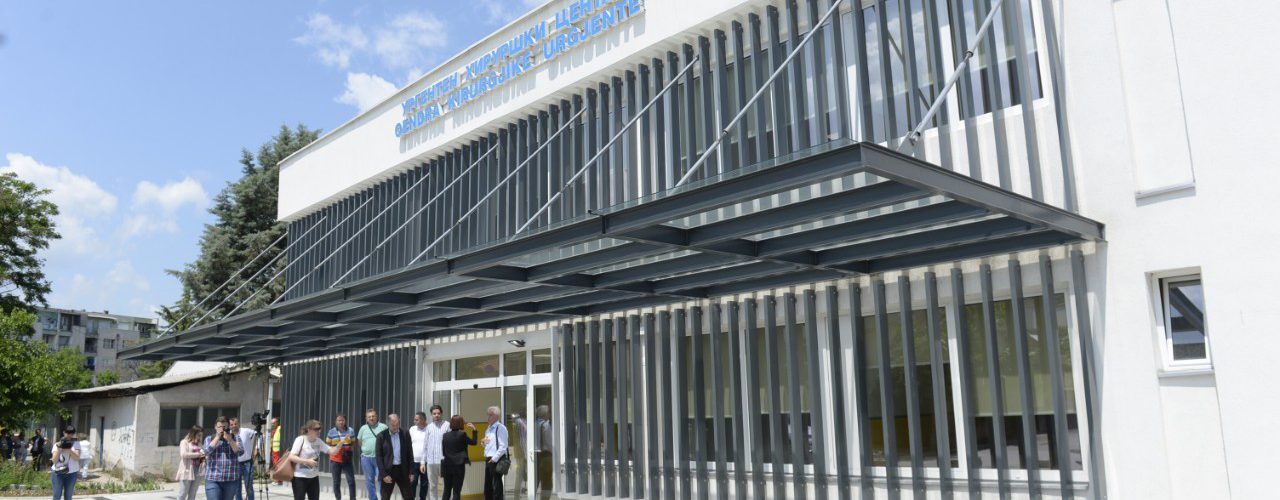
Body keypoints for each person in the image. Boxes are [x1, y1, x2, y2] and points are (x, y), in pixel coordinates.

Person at [288, 420, 333, 500]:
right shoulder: (300, 439)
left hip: (314, 477)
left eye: (320, 428)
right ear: (309, 429)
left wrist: (340, 444)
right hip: (300, 477)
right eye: (316, 429)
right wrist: (307, 461)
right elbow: (291, 457)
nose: (319, 431)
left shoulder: (318, 441)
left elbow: (330, 450)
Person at [203, 416, 243, 500]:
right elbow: (205, 452)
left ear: (228, 427)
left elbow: (240, 453)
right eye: (219, 427)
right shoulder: (209, 438)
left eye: (224, 427)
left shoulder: (236, 438)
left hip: (230, 479)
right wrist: (217, 438)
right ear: (215, 427)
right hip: (213, 478)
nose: (222, 429)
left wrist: (230, 440)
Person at [375, 414, 414, 500]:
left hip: (402, 470)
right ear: (388, 424)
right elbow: (379, 457)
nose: (395, 427)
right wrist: (384, 474)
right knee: (385, 497)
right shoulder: (381, 436)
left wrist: (411, 472)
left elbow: (410, 453)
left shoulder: (405, 433)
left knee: (408, 496)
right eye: (393, 425)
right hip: (388, 471)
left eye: (397, 424)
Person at [438, 416, 477, 500]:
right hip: (459, 466)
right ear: (460, 423)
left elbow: (443, 452)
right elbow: (474, 442)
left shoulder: (445, 435)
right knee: (456, 491)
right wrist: (474, 429)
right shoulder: (462, 434)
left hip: (447, 465)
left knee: (446, 490)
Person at [357, 409, 387, 500]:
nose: (371, 418)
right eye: (369, 417)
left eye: (373, 416)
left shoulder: (383, 427)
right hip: (366, 458)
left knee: (382, 480)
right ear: (366, 418)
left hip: (380, 459)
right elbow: (359, 442)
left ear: (376, 417)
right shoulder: (363, 428)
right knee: (369, 480)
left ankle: (384, 498)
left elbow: (388, 441)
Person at [325, 413, 357, 500]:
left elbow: (353, 442)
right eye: (339, 420)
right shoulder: (331, 431)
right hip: (335, 459)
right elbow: (328, 443)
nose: (341, 422)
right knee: (336, 482)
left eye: (342, 420)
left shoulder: (350, 430)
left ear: (345, 421)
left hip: (347, 458)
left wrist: (347, 446)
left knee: (351, 481)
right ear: (336, 421)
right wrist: (336, 448)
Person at [420, 405, 448, 500]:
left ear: (441, 414)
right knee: (432, 486)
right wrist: (422, 462)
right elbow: (425, 446)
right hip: (431, 461)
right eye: (434, 413)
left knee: (446, 485)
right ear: (431, 415)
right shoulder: (429, 427)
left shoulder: (447, 425)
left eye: (438, 413)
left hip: (444, 461)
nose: (436, 415)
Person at [481, 406, 508, 500]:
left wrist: (494, 459)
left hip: (496, 459)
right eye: (487, 415)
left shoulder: (501, 428)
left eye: (490, 415)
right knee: (488, 485)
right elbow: (487, 444)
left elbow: (503, 446)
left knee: (496, 485)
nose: (488, 417)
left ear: (496, 416)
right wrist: (483, 443)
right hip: (488, 458)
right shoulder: (488, 428)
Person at [229, 417, 259, 500]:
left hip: (247, 463)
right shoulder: (228, 436)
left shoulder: (245, 431)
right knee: (237, 489)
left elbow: (259, 435)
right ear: (229, 426)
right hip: (235, 464)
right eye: (231, 424)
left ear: (238, 424)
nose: (234, 426)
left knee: (249, 488)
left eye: (235, 424)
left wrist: (257, 448)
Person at [50, 426, 82, 500]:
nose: (70, 435)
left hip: (71, 473)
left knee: (68, 496)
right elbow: (54, 461)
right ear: (64, 432)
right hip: (58, 473)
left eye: (72, 433)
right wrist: (59, 449)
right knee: (56, 496)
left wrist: (69, 450)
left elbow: (77, 458)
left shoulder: (76, 443)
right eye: (68, 433)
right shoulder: (57, 444)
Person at [176, 426, 206, 500]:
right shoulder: (184, 442)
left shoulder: (199, 444)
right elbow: (183, 454)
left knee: (192, 494)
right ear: (193, 433)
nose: (200, 437)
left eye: (201, 435)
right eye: (198, 435)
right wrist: (198, 454)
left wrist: (204, 459)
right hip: (187, 470)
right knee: (182, 494)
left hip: (197, 471)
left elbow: (203, 455)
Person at [407, 412, 429, 500]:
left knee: (424, 483)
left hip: (426, 462)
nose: (414, 421)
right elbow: (408, 443)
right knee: (413, 482)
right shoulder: (412, 429)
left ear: (423, 420)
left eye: (416, 419)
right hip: (414, 461)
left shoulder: (429, 429)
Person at [534, 405, 552, 495]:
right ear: (545, 414)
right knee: (547, 482)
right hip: (545, 455)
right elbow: (549, 442)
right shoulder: (545, 425)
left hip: (535, 455)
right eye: (549, 412)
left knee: (535, 479)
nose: (550, 414)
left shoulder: (534, 424)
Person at [270, 417, 282, 484]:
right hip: (274, 450)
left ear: (277, 423)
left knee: (277, 465)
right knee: (275, 465)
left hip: (277, 450)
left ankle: (278, 480)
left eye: (273, 423)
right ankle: (278, 479)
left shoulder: (279, 428)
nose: (272, 424)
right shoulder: (273, 430)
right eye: (271, 423)